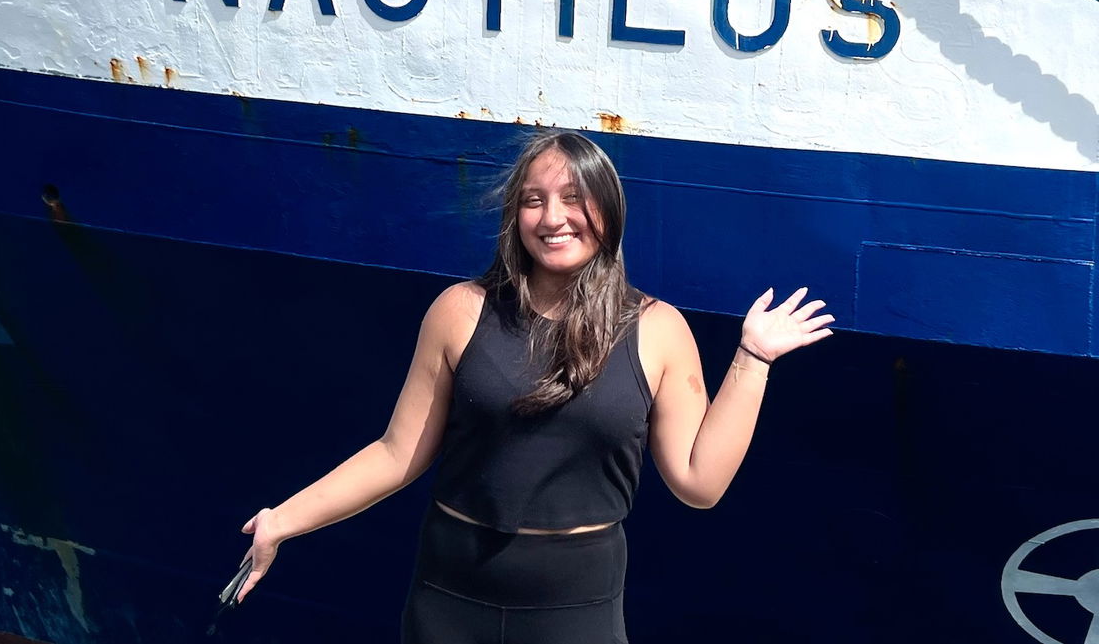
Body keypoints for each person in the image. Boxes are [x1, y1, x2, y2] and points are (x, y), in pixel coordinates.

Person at [235, 129, 833, 643]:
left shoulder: (659, 329)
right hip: (450, 598)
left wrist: (753, 358)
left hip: (578, 610)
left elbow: (700, 484)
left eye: (574, 199)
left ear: (608, 210)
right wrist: (283, 520)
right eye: (532, 200)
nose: (553, 218)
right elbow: (396, 454)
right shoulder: (459, 310)